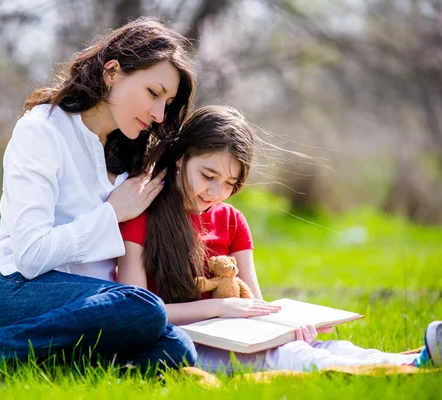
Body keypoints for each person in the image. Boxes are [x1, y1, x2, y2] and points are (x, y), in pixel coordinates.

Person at [0, 18, 199, 377]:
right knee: (144, 308)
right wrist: (110, 214)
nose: (159, 114)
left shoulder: (132, 158)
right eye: (153, 93)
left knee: (176, 348)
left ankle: (28, 358)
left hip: (91, 310)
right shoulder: (42, 131)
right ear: (112, 72)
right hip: (12, 290)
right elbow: (31, 254)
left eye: (168, 102)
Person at [117, 105, 442, 373]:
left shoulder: (231, 220)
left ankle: (412, 360)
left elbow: (254, 303)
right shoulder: (144, 216)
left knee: (313, 346)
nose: (217, 193)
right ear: (181, 157)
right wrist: (220, 306)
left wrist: (287, 327)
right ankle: (408, 366)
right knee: (288, 358)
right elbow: (141, 311)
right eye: (208, 176)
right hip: (181, 343)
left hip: (236, 336)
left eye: (230, 182)